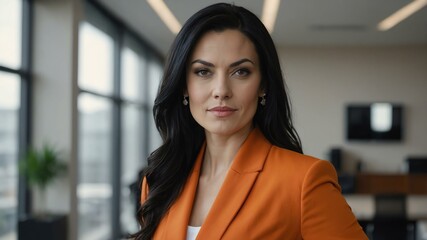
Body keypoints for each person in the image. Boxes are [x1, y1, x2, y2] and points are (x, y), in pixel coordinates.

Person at [132, 3, 368, 240]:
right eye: (203, 72)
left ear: (263, 85)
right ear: (184, 86)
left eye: (240, 72)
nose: (221, 90)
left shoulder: (303, 181)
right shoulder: (160, 180)